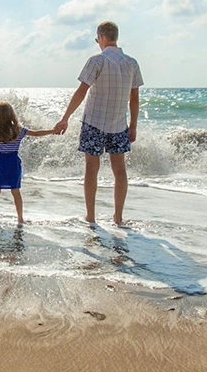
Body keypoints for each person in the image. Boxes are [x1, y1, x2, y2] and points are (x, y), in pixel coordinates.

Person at [54, 21, 143, 226]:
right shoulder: (132, 63)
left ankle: (91, 216)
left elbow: (81, 92)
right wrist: (134, 125)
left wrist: (65, 117)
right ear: (116, 37)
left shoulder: (96, 61)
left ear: (101, 37)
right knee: (119, 170)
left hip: (94, 122)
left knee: (91, 169)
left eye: (97, 39)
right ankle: (118, 217)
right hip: (119, 124)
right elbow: (135, 99)